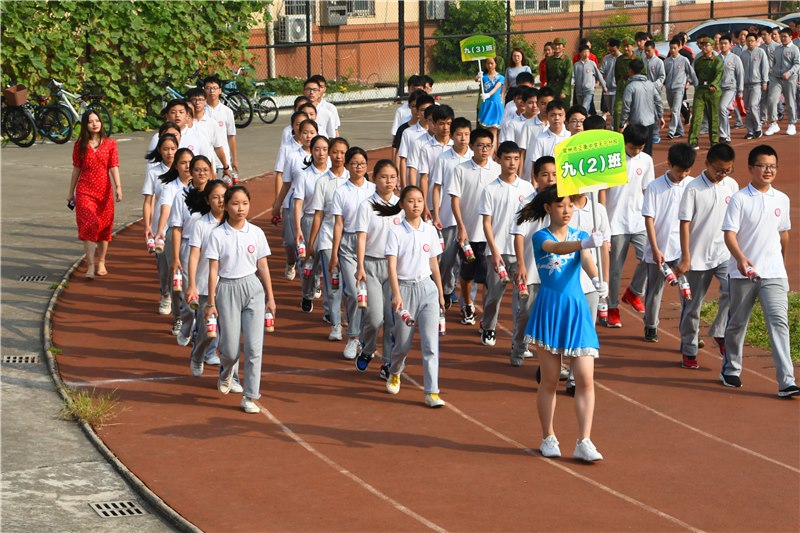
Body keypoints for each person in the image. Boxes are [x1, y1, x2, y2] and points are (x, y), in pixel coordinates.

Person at [517, 185, 605, 462]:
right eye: (560, 205)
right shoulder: (540, 236)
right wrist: (584, 244)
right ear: (548, 208)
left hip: (577, 309)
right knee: (550, 380)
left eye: (570, 205)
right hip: (551, 308)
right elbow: (557, 248)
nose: (567, 210)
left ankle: (584, 441)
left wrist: (596, 278)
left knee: (586, 379)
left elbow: (587, 260)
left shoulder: (581, 236)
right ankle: (548, 436)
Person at [720, 145, 798, 398]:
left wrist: (781, 264)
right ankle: (731, 368)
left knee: (779, 324)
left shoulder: (782, 199)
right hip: (743, 274)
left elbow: (783, 234)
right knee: (737, 323)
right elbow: (729, 234)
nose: (768, 170)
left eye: (772, 166)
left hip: (773, 273)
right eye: (763, 166)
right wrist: (741, 259)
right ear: (751, 168)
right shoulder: (740, 199)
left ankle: (786, 381)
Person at [204, 185, 277, 414]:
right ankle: (226, 372)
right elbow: (213, 270)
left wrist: (270, 298)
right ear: (226, 206)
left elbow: (263, 265)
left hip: (253, 288)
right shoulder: (217, 234)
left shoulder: (256, 232)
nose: (241, 208)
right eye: (235, 204)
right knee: (230, 349)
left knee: (255, 348)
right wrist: (211, 302)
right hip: (227, 289)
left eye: (245, 203)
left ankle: (250, 396)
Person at [376, 186, 446, 409]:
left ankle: (432, 392)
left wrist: (440, 292)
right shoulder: (396, 231)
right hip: (404, 291)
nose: (416, 205)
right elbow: (392, 265)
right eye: (411, 201)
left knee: (430, 344)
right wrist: (396, 294)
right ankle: (395, 371)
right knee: (403, 345)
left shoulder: (430, 230)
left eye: (419, 201)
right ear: (402, 205)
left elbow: (434, 263)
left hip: (427, 290)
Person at [675, 143, 738, 369]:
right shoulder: (693, 188)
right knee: (692, 307)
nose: (722, 174)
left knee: (733, 293)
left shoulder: (732, 185)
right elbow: (684, 224)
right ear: (707, 164)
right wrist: (686, 257)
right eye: (718, 170)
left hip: (724, 254)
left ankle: (719, 331)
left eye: (727, 170)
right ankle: (689, 349)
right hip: (697, 258)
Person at [479, 141, 535, 348]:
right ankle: (488, 326)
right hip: (498, 251)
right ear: (499, 160)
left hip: (521, 254)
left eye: (516, 159)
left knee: (522, 299)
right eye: (508, 158)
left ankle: (518, 342)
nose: (512, 163)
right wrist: (494, 251)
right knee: (494, 295)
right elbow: (487, 222)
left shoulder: (528, 189)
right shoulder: (490, 189)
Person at [641, 143, 695, 343]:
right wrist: (655, 249)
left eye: (687, 171)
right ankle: (651, 325)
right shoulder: (654, 187)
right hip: (659, 249)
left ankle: (690, 332)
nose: (683, 175)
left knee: (686, 291)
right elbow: (649, 219)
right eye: (680, 170)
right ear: (669, 164)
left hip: (683, 250)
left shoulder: (692, 185)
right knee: (655, 290)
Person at [601, 124, 653, 328]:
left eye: (640, 147)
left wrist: (651, 217)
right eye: (632, 147)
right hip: (615, 222)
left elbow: (647, 190)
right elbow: (602, 190)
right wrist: (603, 219)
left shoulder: (646, 160)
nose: (636, 151)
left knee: (650, 258)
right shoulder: (612, 159)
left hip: (638, 220)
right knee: (614, 270)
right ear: (624, 142)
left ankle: (634, 291)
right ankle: (612, 307)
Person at [449, 128, 500, 327]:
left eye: (488, 146)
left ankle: (487, 317)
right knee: (466, 274)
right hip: (469, 233)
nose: (484, 150)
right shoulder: (461, 169)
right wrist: (461, 227)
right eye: (480, 145)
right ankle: (468, 305)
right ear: (472, 146)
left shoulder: (497, 169)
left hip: (490, 235)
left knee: (489, 277)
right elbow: (455, 200)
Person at [509, 155, 557, 367]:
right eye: (545, 174)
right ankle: (519, 346)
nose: (550, 179)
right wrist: (520, 263)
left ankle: (554, 360)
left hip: (555, 271)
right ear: (536, 177)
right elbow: (519, 235)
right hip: (531, 268)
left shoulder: (562, 202)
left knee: (553, 316)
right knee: (527, 313)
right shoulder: (527, 202)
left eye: (554, 174)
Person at [330, 147, 377, 360]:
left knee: (370, 294)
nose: (359, 167)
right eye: (355, 163)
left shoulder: (374, 189)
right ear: (347, 166)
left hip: (370, 244)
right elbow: (338, 224)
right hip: (348, 245)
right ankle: (353, 336)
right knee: (353, 290)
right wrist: (334, 253)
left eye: (362, 163)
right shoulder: (341, 191)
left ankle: (367, 337)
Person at [353, 160, 400, 376]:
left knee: (392, 319)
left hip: (394, 268)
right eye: (383, 177)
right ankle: (368, 348)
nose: (388, 181)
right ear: (374, 179)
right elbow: (361, 237)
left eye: (392, 177)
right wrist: (360, 265)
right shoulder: (366, 205)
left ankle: (388, 363)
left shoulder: (401, 206)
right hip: (371, 265)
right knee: (374, 318)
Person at [68, 110, 121, 279]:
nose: (94, 124)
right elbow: (76, 169)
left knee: (104, 228)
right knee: (89, 224)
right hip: (85, 191)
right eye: (90, 121)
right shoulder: (80, 145)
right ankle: (90, 265)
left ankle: (101, 261)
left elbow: (113, 166)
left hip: (104, 191)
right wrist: (70, 192)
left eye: (97, 120)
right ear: (85, 125)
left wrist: (118, 187)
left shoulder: (110, 144)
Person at [307, 137, 350, 342]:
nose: (339, 156)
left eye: (343, 152)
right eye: (335, 152)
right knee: (334, 284)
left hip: (350, 241)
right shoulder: (322, 182)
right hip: (328, 239)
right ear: (330, 154)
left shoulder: (354, 179)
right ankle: (335, 325)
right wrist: (311, 242)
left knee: (350, 285)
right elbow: (318, 214)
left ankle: (349, 317)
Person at [169, 155, 215, 347]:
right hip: (189, 246)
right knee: (190, 293)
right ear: (191, 172)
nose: (201, 173)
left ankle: (204, 337)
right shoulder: (181, 196)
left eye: (205, 170)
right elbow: (177, 228)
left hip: (212, 246)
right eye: (197, 170)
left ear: (210, 172)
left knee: (209, 294)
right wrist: (176, 257)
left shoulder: (216, 194)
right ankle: (187, 325)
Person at [185, 180, 227, 378]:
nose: (220, 201)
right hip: (204, 286)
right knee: (205, 330)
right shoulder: (200, 224)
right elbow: (194, 255)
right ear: (208, 200)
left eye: (223, 197)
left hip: (228, 285)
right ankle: (198, 354)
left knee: (227, 330)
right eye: (215, 197)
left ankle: (227, 372)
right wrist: (192, 285)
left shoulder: (233, 222)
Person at [430, 117, 473, 307]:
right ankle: (446, 289)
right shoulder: (444, 158)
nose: (463, 138)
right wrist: (437, 214)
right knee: (447, 259)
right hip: (448, 217)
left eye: (466, 134)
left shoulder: (474, 157)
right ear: (452, 136)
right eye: (459, 134)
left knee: (468, 261)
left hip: (469, 218)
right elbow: (437, 187)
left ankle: (466, 301)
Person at [154, 148, 195, 335]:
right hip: (176, 236)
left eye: (190, 162)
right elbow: (165, 211)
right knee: (177, 278)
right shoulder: (170, 187)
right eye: (182, 163)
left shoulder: (202, 186)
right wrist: (160, 231)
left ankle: (198, 318)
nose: (187, 166)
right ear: (176, 166)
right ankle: (179, 317)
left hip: (198, 238)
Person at [293, 135, 331, 313]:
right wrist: (298, 228)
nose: (321, 153)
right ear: (311, 151)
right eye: (317, 149)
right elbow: (298, 203)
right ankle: (307, 294)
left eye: (324, 149)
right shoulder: (305, 175)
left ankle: (329, 308)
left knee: (330, 263)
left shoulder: (334, 174)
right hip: (309, 219)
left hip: (330, 221)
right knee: (309, 260)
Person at [143, 133, 178, 315]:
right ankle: (165, 294)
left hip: (181, 227)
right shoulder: (154, 172)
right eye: (165, 149)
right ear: (159, 150)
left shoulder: (184, 171)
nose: (169, 153)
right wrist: (148, 226)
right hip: (161, 228)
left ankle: (181, 302)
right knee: (164, 268)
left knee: (180, 266)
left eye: (173, 149)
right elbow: (148, 202)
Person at [621, 58, 665, 156]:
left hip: (636, 124)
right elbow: (658, 101)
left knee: (634, 150)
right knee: (647, 150)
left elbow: (626, 106)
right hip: (650, 122)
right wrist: (660, 116)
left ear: (630, 70)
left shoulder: (630, 87)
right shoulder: (650, 84)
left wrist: (622, 123)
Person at [688, 37, 723, 150]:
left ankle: (714, 140)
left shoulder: (717, 61)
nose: (704, 47)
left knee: (713, 116)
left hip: (712, 91)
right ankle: (693, 141)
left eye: (706, 45)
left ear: (712, 47)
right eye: (702, 45)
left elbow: (719, 74)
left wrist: (714, 84)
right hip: (701, 89)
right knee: (696, 116)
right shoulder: (698, 61)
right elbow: (696, 73)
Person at [764, 28, 800, 137]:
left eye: (785, 36)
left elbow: (797, 64)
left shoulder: (794, 49)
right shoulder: (777, 48)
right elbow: (773, 62)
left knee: (790, 101)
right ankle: (773, 123)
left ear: (790, 37)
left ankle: (791, 124)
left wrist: (789, 72)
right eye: (782, 36)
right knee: (771, 99)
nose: (783, 38)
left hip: (789, 78)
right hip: (776, 78)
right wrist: (772, 73)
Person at [203, 75, 238, 174]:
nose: (211, 91)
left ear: (220, 90)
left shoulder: (227, 111)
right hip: (204, 159)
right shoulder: (200, 111)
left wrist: (234, 159)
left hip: (223, 160)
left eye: (215, 88)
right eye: (208, 88)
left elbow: (231, 136)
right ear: (204, 90)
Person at [664, 38, 698, 139]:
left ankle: (671, 131)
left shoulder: (684, 60)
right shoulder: (666, 62)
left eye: (674, 48)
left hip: (679, 88)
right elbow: (663, 75)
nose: (672, 50)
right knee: (674, 110)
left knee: (675, 110)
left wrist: (695, 84)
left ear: (679, 48)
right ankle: (680, 130)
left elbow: (691, 72)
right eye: (671, 48)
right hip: (669, 89)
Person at [520, 87, 554, 181]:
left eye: (549, 104)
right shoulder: (528, 125)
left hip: (551, 175)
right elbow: (522, 152)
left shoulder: (558, 126)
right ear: (538, 103)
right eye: (543, 103)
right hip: (530, 174)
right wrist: (520, 176)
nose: (546, 107)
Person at [740, 32, 770, 139]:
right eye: (748, 41)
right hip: (745, 85)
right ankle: (750, 131)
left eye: (752, 41)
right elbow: (741, 71)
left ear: (756, 41)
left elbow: (765, 68)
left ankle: (758, 127)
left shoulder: (760, 52)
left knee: (753, 106)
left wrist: (764, 82)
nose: (750, 43)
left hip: (756, 84)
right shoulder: (743, 54)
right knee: (747, 108)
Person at [717, 34, 745, 144]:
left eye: (725, 43)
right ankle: (722, 134)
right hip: (718, 89)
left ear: (730, 45)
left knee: (722, 107)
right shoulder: (716, 58)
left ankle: (725, 136)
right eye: (721, 43)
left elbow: (740, 74)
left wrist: (740, 90)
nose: (723, 46)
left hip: (730, 88)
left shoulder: (735, 58)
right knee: (719, 111)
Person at [477, 57, 505, 153]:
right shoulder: (484, 77)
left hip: (495, 105)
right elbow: (476, 80)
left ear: (495, 64)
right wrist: (478, 76)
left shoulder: (500, 77)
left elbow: (496, 88)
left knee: (494, 131)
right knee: (489, 131)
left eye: (491, 63)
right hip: (487, 105)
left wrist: (488, 94)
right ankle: (492, 152)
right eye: (488, 63)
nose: (489, 65)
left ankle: (492, 154)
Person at [573, 45, 607, 113]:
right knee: (582, 109)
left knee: (584, 107)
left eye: (588, 52)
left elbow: (599, 75)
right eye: (584, 52)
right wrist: (571, 84)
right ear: (580, 53)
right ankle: (585, 118)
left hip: (589, 90)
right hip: (579, 91)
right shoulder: (576, 65)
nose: (586, 54)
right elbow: (573, 77)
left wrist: (604, 86)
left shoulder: (592, 64)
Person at [613, 38, 636, 131]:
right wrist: (620, 83)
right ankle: (617, 132)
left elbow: (643, 73)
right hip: (621, 87)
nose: (626, 48)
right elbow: (616, 74)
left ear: (632, 46)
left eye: (627, 46)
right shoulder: (619, 59)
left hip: (634, 86)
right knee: (617, 110)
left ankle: (633, 132)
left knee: (634, 111)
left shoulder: (637, 58)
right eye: (624, 46)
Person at [600, 38, 621, 124]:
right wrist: (603, 84)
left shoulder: (622, 58)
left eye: (614, 51)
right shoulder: (606, 58)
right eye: (610, 50)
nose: (612, 52)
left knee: (616, 110)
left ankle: (614, 126)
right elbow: (601, 72)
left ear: (618, 48)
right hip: (607, 89)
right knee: (610, 110)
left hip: (618, 89)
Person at [546, 38, 573, 105]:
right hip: (552, 88)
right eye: (555, 45)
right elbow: (548, 76)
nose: (557, 47)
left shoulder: (567, 60)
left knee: (563, 108)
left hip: (562, 87)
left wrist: (564, 91)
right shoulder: (550, 60)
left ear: (563, 47)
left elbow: (568, 76)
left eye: (559, 45)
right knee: (551, 107)